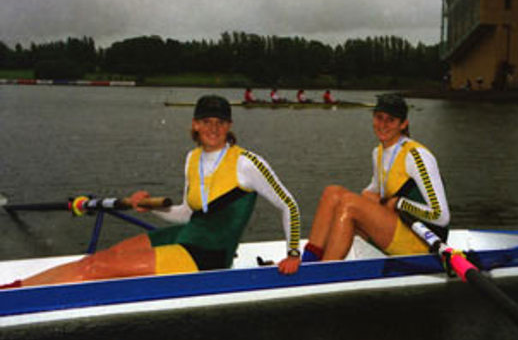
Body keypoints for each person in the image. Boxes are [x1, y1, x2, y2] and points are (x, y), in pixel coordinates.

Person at [2, 95, 301, 289]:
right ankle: (15, 288)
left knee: (97, 267)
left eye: (220, 122)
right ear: (195, 125)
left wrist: (292, 253)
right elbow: (186, 213)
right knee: (104, 256)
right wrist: (150, 206)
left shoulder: (247, 163)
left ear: (229, 126)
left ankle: (14, 297)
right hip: (186, 235)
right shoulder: (193, 158)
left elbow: (289, 205)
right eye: (206, 121)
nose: (213, 128)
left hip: (208, 256)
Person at [301, 92, 450, 262]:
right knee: (332, 193)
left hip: (424, 241)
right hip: (396, 227)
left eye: (391, 120)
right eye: (379, 117)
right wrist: (372, 200)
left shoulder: (416, 156)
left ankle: (326, 270)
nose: (383, 125)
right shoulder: (378, 152)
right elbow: (371, 192)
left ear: (403, 124)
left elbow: (441, 216)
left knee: (349, 204)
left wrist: (400, 203)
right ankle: (308, 262)